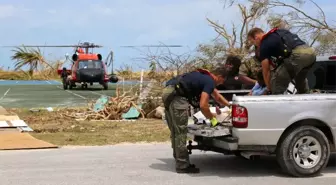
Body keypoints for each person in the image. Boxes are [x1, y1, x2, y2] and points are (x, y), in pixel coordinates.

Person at [162, 67, 231, 174]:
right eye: (222, 81)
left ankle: (178, 158)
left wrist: (230, 105)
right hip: (177, 96)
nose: (221, 84)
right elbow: (203, 106)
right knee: (180, 132)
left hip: (168, 92)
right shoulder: (210, 81)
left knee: (176, 131)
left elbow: (217, 96)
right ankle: (182, 165)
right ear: (219, 77)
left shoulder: (204, 77)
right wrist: (213, 119)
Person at [247, 27, 316, 94]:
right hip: (311, 53)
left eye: (252, 41)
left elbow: (266, 71)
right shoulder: (279, 31)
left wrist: (269, 89)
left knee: (277, 82)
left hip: (298, 55)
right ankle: (305, 97)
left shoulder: (264, 44)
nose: (254, 44)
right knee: (300, 80)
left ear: (256, 37)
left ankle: (276, 100)